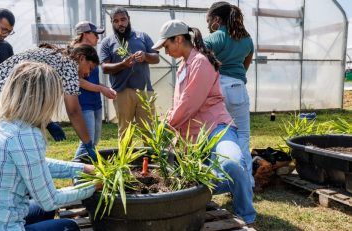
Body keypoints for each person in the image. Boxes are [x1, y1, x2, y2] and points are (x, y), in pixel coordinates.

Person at [0, 61, 100, 230]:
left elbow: (34, 164)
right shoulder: (25, 134)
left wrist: (83, 168)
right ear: (45, 99)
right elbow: (49, 199)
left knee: (44, 211)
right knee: (68, 227)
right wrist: (94, 185)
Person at [0, 45, 99, 185]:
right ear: (81, 58)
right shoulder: (69, 65)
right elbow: (73, 110)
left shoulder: (57, 58)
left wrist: (48, 122)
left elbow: (34, 95)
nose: (88, 74)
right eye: (90, 68)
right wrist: (87, 144)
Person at [152, 19, 256, 225]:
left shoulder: (200, 62)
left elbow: (190, 103)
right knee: (184, 179)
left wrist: (166, 124)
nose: (165, 51)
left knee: (232, 163)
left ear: (179, 39)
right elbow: (180, 102)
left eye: (167, 45)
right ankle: (211, 190)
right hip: (193, 137)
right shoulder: (184, 65)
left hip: (215, 129)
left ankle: (246, 215)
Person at [204, 1, 255, 186]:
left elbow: (198, 59)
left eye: (209, 20)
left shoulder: (216, 37)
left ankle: (218, 181)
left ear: (217, 19)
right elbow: (245, 66)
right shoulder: (247, 39)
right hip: (238, 88)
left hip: (217, 89)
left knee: (217, 136)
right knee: (242, 136)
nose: (208, 25)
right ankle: (247, 182)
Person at [99, 7, 160, 139]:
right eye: (116, 21)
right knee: (125, 132)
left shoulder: (143, 37)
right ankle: (125, 159)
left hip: (144, 91)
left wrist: (145, 56)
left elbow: (156, 58)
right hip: (122, 92)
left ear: (129, 19)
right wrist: (123, 64)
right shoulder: (107, 42)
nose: (120, 23)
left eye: (123, 19)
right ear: (112, 22)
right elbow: (104, 67)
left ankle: (150, 159)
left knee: (149, 131)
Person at [72, 21, 117, 158]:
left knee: (94, 141)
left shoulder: (90, 52)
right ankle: (76, 172)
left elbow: (93, 80)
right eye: (95, 34)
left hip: (95, 102)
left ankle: (86, 171)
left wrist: (105, 88)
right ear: (85, 34)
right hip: (83, 104)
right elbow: (77, 81)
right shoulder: (75, 53)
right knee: (87, 142)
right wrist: (101, 89)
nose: (98, 38)